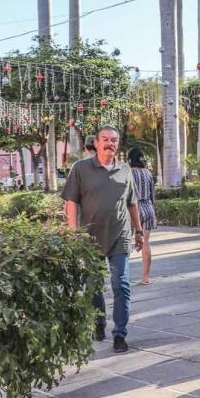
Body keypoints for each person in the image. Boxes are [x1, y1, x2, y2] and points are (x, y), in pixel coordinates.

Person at [61, 125, 144, 354]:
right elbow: (71, 202)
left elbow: (132, 203)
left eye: (114, 140)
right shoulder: (80, 169)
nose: (110, 143)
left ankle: (120, 334)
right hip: (90, 238)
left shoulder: (125, 170)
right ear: (96, 143)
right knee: (93, 286)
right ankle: (98, 323)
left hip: (120, 236)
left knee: (122, 286)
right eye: (105, 139)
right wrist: (73, 232)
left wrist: (138, 231)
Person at [128, 147, 157, 285]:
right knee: (146, 243)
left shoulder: (129, 173)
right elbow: (152, 194)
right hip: (148, 208)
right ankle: (146, 277)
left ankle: (123, 277)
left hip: (134, 209)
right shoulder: (148, 173)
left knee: (125, 243)